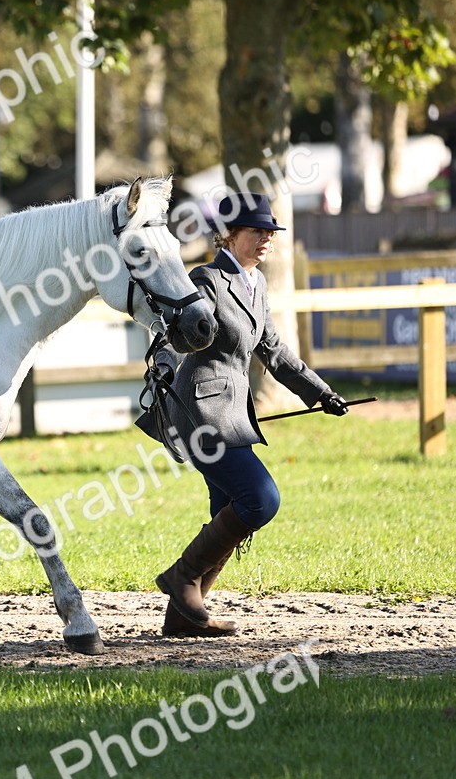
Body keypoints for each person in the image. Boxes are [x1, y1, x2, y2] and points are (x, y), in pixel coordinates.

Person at [136, 192, 349, 637]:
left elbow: (273, 351)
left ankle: (183, 619)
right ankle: (181, 578)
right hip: (201, 414)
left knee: (226, 514)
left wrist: (320, 393)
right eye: (258, 231)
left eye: (270, 232)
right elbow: (180, 336)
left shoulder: (257, 284)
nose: (267, 239)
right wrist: (164, 366)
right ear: (228, 236)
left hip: (233, 414)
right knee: (260, 498)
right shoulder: (207, 280)